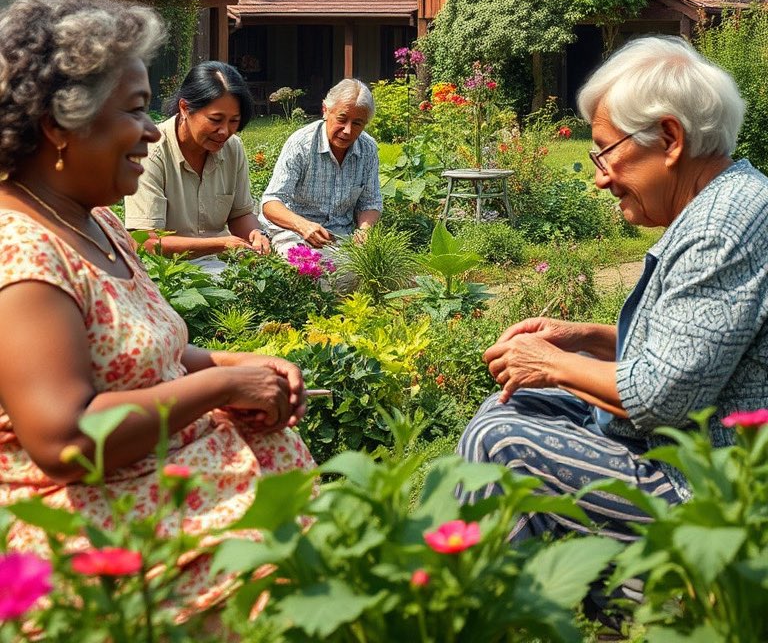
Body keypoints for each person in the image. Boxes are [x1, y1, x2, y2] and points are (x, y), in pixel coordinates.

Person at [0, 0, 313, 614]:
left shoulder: (94, 224)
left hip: (168, 500)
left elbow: (147, 352)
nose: (150, 132)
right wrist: (222, 392)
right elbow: (65, 438)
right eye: (137, 110)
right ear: (60, 124)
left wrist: (230, 363)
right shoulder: (22, 255)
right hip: (106, 541)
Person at [459, 35, 768, 547]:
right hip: (680, 447)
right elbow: (696, 349)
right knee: (512, 408)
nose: (601, 179)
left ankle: (488, 600)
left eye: (606, 152)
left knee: (501, 442)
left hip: (709, 487)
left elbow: (661, 399)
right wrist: (582, 337)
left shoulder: (723, 227)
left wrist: (549, 363)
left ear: (670, 139)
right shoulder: (728, 201)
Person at [125, 61, 270, 274]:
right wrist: (221, 244)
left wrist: (256, 235)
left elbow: (240, 214)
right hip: (169, 272)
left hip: (222, 264)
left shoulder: (232, 147)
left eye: (234, 121)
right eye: (215, 119)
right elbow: (146, 242)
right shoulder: (149, 152)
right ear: (185, 108)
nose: (224, 131)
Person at [260, 78, 383, 258]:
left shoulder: (368, 148)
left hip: (341, 235)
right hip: (294, 232)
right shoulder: (301, 144)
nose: (347, 130)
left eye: (357, 123)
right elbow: (271, 202)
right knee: (303, 266)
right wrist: (302, 225)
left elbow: (370, 202)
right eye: (342, 119)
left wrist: (364, 231)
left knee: (365, 270)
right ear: (325, 110)